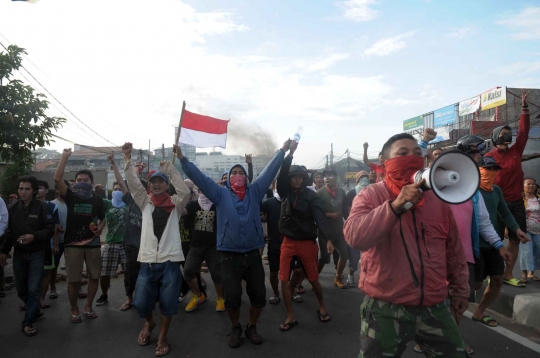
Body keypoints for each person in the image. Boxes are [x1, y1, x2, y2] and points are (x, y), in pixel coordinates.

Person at [344, 133, 469, 358]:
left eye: (417, 154)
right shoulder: (371, 195)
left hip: (435, 305)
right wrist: (395, 206)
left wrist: (460, 291)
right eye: (402, 153)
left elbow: (454, 250)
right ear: (384, 162)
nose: (411, 158)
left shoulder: (438, 201)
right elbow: (355, 236)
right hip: (385, 308)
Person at [180, 139, 292, 348]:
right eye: (234, 173)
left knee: (259, 296)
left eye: (241, 173)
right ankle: (236, 327)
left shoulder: (255, 192)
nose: (238, 176)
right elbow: (201, 179)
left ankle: (251, 326)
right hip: (229, 255)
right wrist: (183, 159)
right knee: (232, 298)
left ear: (247, 178)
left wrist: (282, 151)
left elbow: (269, 171)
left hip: (252, 254)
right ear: (228, 178)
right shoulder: (220, 194)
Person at [123, 142, 190, 357]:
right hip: (148, 261)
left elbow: (185, 190)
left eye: (161, 181)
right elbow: (133, 184)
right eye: (154, 182)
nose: (157, 184)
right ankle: (149, 323)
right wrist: (127, 159)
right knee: (141, 303)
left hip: (170, 262)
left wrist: (171, 169)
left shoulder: (176, 203)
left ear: (167, 185)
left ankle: (163, 335)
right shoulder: (145, 202)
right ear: (150, 186)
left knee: (169, 304)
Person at [276, 143, 334, 331]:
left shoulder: (311, 196)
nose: (298, 180)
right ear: (290, 179)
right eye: (294, 177)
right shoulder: (284, 192)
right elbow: (281, 174)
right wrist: (289, 154)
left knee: (313, 278)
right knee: (283, 279)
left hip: (307, 243)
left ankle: (322, 306)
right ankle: (290, 315)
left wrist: (328, 238)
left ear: (304, 178)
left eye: (301, 177)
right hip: (288, 242)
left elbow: (320, 218)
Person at [473, 156, 528, 328]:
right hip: (475, 245)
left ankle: (479, 311)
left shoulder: (496, 190)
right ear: (478, 171)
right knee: (476, 284)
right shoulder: (470, 191)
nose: (492, 173)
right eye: (487, 169)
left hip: (494, 243)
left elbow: (505, 212)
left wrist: (517, 229)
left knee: (497, 280)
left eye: (495, 170)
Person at [484, 89, 530, 287]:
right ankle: (491, 271)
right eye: (502, 137)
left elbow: (524, 131)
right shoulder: (489, 157)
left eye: (508, 137)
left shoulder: (516, 150)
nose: (505, 141)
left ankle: (508, 273)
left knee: (515, 239)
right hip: (496, 203)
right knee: (493, 239)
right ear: (495, 138)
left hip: (516, 202)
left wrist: (524, 108)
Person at [54, 149, 106, 323]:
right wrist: (64, 157)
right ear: (74, 182)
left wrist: (100, 227)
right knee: (74, 279)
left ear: (92, 182)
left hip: (93, 243)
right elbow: (57, 179)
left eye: (86, 180)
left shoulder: (97, 200)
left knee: (94, 276)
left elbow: (103, 218)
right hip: (73, 244)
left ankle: (88, 306)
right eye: (79, 180)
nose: (82, 182)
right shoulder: (71, 196)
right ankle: (74, 308)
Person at [0, 176, 55, 337]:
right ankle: (35, 310)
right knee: (21, 289)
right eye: (21, 188)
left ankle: (27, 322)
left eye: (27, 189)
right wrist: (4, 251)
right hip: (19, 253)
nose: (23, 192)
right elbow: (9, 231)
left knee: (33, 288)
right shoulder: (14, 207)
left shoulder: (42, 208)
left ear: (34, 191)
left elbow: (50, 229)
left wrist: (34, 236)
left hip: (37, 253)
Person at [108, 153, 146, 311]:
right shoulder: (130, 199)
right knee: (130, 275)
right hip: (131, 246)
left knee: (148, 276)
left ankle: (147, 298)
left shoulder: (151, 203)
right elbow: (122, 182)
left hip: (148, 247)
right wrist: (114, 163)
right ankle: (129, 298)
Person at [181, 189, 224, 312]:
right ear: (198, 191)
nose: (204, 192)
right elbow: (183, 212)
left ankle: (221, 298)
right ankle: (198, 295)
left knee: (217, 274)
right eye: (201, 189)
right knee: (188, 271)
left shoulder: (217, 204)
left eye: (206, 189)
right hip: (196, 246)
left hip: (213, 247)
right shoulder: (193, 204)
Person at [95, 182, 127, 306]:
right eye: (115, 189)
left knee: (128, 273)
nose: (117, 191)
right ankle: (104, 294)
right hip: (111, 243)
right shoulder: (107, 204)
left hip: (126, 244)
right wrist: (97, 191)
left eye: (120, 189)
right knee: (105, 273)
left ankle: (130, 296)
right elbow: (93, 199)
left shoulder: (130, 203)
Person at [316, 168, 349, 289]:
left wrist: (350, 222)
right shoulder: (319, 193)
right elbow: (316, 213)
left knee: (344, 255)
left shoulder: (341, 192)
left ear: (335, 178)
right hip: (325, 232)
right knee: (324, 258)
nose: (326, 178)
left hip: (339, 230)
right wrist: (330, 215)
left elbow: (345, 211)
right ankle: (314, 279)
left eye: (329, 175)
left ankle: (337, 277)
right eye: (325, 176)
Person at [36, 180, 60, 310]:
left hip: (47, 245)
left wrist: (55, 244)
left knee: (46, 273)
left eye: (40, 188)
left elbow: (56, 227)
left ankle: (41, 298)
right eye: (36, 188)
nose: (38, 191)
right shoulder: (27, 205)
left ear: (46, 190)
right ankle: (29, 299)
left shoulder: (52, 207)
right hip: (30, 246)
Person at [344, 171, 370, 287]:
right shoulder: (351, 193)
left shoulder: (374, 190)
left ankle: (370, 278)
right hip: (356, 228)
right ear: (357, 180)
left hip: (371, 227)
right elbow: (347, 211)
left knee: (371, 255)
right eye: (361, 178)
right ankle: (350, 276)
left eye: (366, 178)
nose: (364, 180)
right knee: (353, 256)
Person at [260, 187, 283, 304]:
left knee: (296, 271)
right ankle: (276, 293)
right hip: (274, 244)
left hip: (290, 244)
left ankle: (293, 290)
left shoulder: (292, 201)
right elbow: (261, 216)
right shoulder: (269, 203)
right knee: (274, 272)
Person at [49, 180, 69, 300]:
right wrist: (55, 228)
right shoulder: (51, 204)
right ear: (57, 190)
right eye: (62, 188)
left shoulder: (72, 204)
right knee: (53, 266)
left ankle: (77, 287)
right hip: (57, 241)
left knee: (73, 267)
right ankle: (52, 288)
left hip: (70, 241)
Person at [521, 178, 540, 282]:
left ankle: (531, 273)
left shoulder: (538, 198)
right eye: (528, 184)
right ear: (523, 186)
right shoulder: (520, 199)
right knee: (526, 251)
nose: (531, 186)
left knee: (537, 250)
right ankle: (523, 273)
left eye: (533, 184)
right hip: (525, 229)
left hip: (538, 229)